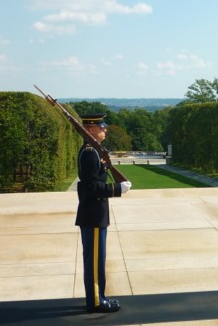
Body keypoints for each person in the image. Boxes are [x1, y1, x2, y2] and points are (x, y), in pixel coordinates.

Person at [76, 113, 132, 313]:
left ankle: (100, 297)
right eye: (101, 127)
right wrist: (117, 190)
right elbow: (91, 187)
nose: (105, 130)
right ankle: (97, 302)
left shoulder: (94, 151)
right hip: (93, 215)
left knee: (97, 261)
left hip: (96, 214)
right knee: (94, 263)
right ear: (90, 130)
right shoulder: (90, 152)